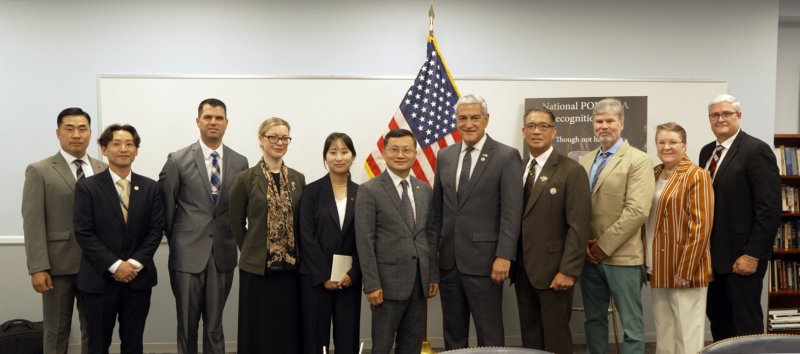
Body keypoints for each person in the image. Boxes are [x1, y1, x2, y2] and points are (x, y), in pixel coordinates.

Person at [430, 94, 523, 349]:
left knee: (489, 333)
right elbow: (438, 210)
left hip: (487, 262)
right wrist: (434, 258)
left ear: (486, 120)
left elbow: (511, 213)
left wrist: (504, 255)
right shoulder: (445, 156)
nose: (468, 124)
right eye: (462, 118)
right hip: (449, 262)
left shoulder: (506, 156)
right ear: (456, 121)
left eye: (475, 118)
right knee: (453, 332)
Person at [158, 98, 248, 354]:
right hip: (187, 255)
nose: (213, 122)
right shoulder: (177, 160)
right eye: (207, 117)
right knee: (187, 325)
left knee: (215, 325)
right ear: (198, 121)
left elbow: (240, 209)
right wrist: (179, 240)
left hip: (223, 254)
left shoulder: (240, 162)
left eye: (219, 118)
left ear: (226, 124)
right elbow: (166, 208)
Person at [73, 124, 164, 354]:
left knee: (133, 344)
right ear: (104, 149)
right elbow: (84, 232)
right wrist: (115, 266)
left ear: (136, 150)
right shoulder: (87, 187)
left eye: (129, 144)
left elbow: (155, 231)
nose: (123, 149)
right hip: (98, 280)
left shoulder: (151, 187)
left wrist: (132, 265)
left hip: (138, 280)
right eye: (116, 144)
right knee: (97, 344)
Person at [22, 107, 105, 354]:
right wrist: (38, 267)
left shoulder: (103, 169)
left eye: (82, 129)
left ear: (91, 133)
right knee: (56, 331)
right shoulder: (40, 170)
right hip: (57, 267)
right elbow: (33, 221)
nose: (76, 134)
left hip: (98, 265)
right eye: (69, 129)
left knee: (96, 329)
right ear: (58, 133)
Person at [700, 94, 781, 340]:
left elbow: (769, 207)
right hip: (713, 257)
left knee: (745, 322)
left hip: (742, 256)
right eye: (715, 115)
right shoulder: (707, 152)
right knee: (718, 318)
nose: (720, 119)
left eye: (726, 113)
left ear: (739, 116)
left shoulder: (756, 150)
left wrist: (753, 254)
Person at [578, 98, 654, 354]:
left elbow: (637, 211)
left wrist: (603, 246)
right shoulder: (585, 160)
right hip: (589, 258)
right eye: (599, 121)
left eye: (610, 120)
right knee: (594, 321)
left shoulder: (638, 160)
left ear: (621, 123)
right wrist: (586, 246)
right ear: (593, 125)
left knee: (631, 327)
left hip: (623, 258)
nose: (604, 126)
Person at [514, 107, 591, 354]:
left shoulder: (571, 170)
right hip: (523, 270)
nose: (536, 131)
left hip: (554, 272)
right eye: (531, 126)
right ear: (523, 131)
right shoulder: (517, 168)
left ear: (554, 132)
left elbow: (579, 226)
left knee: (556, 339)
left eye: (543, 126)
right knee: (530, 338)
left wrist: (568, 270)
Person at [355, 129, 439, 354]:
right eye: (394, 149)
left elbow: (429, 235)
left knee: (411, 344)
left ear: (415, 153)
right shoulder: (369, 190)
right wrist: (371, 283)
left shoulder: (423, 190)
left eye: (406, 149)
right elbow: (365, 241)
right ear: (384, 152)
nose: (400, 154)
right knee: (382, 346)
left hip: (419, 282)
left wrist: (432, 275)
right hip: (386, 284)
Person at [229, 117, 306, 354]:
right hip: (257, 268)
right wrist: (253, 249)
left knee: (286, 327)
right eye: (273, 137)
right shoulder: (246, 178)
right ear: (261, 140)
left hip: (290, 268)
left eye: (284, 138)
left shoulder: (298, 178)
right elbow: (236, 222)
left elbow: (302, 221)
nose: (279, 142)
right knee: (258, 327)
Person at [647, 122, 714, 354]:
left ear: (684, 145)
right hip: (657, 264)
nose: (667, 146)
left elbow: (701, 227)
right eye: (661, 142)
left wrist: (685, 269)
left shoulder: (697, 176)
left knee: (688, 335)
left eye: (673, 142)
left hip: (685, 266)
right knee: (664, 330)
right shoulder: (654, 173)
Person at [299, 132, 361, 354]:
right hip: (316, 278)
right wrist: (324, 275)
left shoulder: (362, 193)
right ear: (325, 157)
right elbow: (306, 236)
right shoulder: (311, 191)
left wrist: (353, 274)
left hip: (349, 279)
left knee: (348, 337)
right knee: (316, 339)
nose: (339, 157)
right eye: (333, 152)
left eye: (344, 152)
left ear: (353, 156)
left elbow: (364, 238)